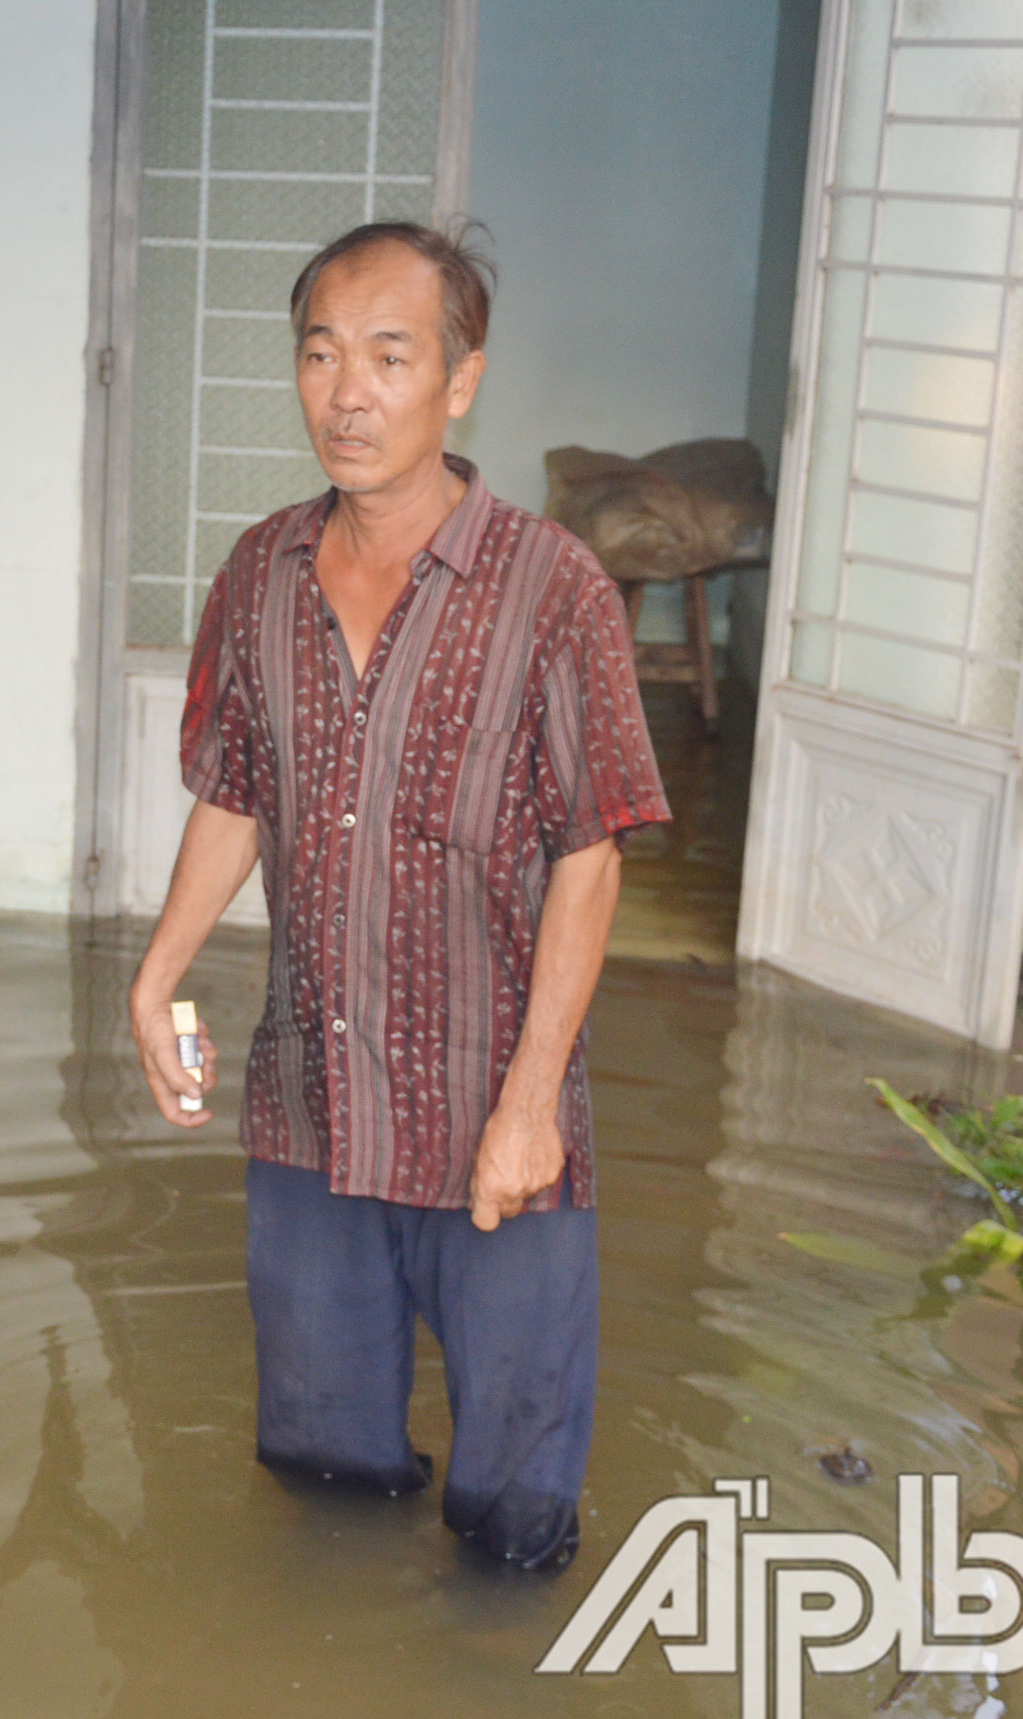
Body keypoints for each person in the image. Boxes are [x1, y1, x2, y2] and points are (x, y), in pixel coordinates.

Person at [127, 222, 670, 1570]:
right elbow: (237, 791)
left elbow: (590, 854)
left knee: (513, 1524)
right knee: (323, 1479)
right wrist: (155, 974)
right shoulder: (260, 572)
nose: (347, 393)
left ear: (461, 380)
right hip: (313, 1108)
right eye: (321, 355)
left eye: (388, 356)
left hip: (498, 1120)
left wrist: (534, 1106)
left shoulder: (555, 592)